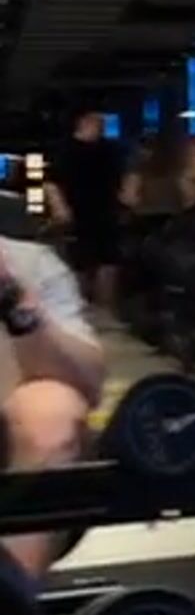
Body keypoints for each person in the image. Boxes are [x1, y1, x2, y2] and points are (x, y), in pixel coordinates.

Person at [0, 231, 104, 580]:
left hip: (14, 462)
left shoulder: (31, 263)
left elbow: (89, 383)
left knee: (52, 406)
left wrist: (13, 301)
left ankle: (11, 596)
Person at [44, 110, 123, 312]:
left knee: (108, 261)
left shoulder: (110, 150)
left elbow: (121, 179)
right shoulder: (66, 150)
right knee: (80, 262)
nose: (101, 125)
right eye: (97, 120)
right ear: (83, 122)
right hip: (77, 211)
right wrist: (60, 207)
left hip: (106, 210)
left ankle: (105, 309)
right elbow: (51, 182)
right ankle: (79, 308)